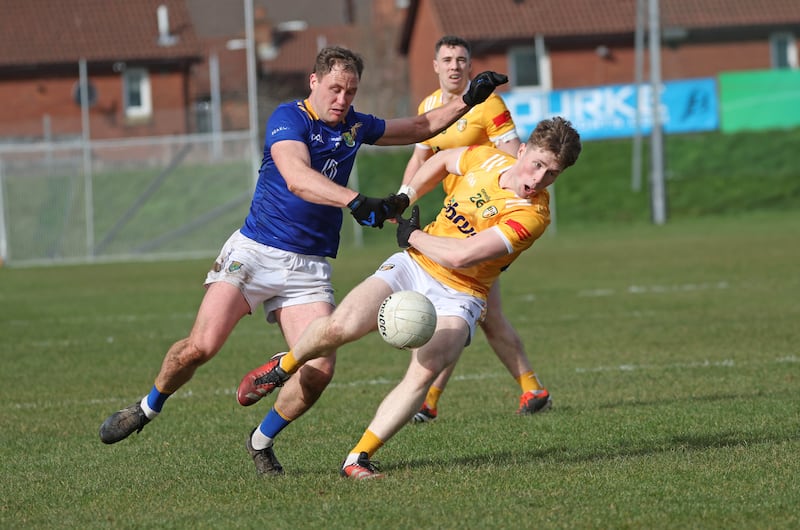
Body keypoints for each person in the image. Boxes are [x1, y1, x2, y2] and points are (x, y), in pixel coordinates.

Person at [97, 46, 508, 473]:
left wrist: (469, 99)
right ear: (313, 82)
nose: (342, 99)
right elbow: (297, 179)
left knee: (319, 369)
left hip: (308, 267)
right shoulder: (289, 118)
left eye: (350, 91)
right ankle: (148, 407)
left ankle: (260, 441)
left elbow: (421, 126)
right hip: (254, 252)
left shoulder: (355, 125)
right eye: (334, 88)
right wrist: (355, 201)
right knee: (199, 348)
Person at [237, 116, 582, 479]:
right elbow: (442, 160)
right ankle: (282, 368)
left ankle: (358, 458)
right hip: (413, 267)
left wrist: (411, 234)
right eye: (538, 164)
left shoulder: (532, 215)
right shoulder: (489, 158)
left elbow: (462, 256)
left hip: (462, 293)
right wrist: (406, 196)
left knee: (427, 369)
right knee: (342, 326)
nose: (538, 179)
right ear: (522, 151)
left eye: (552, 174)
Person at [399, 35, 548, 422]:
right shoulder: (429, 107)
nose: (453, 65)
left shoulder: (489, 104)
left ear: (469, 65)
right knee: (480, 314)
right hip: (455, 220)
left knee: (465, 311)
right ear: (434, 65)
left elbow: (517, 156)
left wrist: (523, 201)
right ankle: (530, 387)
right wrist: (402, 199)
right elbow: (420, 157)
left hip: (488, 223)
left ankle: (430, 400)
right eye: (446, 59)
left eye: (461, 59)